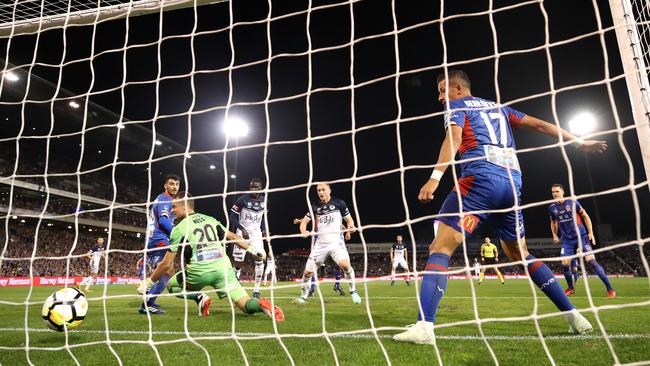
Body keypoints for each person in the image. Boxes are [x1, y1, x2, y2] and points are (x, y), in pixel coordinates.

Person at [393, 70, 607, 344]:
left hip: (479, 180)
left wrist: (434, 178)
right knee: (520, 255)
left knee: (440, 248)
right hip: (512, 184)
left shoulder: (456, 106)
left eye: (443, 90)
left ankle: (425, 327)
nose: (440, 97)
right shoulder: (500, 108)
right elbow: (541, 126)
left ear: (458, 89)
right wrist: (578, 141)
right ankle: (575, 317)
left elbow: (454, 139)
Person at [142, 192, 284, 321]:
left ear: (185, 205)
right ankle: (261, 305)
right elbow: (232, 236)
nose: (172, 210)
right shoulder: (210, 219)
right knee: (245, 305)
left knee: (171, 286)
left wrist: (148, 283)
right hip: (223, 270)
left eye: (174, 207)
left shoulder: (178, 228)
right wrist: (252, 249)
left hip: (198, 272)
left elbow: (166, 264)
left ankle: (199, 296)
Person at [294, 183, 361, 304]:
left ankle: (353, 291)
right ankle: (303, 296)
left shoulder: (339, 203)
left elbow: (349, 219)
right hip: (320, 245)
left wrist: (351, 226)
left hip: (336, 243)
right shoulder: (314, 206)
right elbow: (304, 223)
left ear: (329, 190)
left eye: (323, 190)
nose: (320, 192)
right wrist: (303, 231)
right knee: (308, 272)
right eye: (318, 190)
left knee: (345, 265)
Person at [549, 183, 615, 297]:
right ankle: (570, 288)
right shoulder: (551, 207)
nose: (555, 194)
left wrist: (591, 232)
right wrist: (554, 235)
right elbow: (553, 222)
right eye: (553, 192)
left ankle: (610, 289)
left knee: (591, 261)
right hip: (567, 240)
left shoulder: (572, 202)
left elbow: (585, 216)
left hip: (582, 237)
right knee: (565, 263)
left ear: (563, 192)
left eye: (557, 191)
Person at [137, 174, 180, 314]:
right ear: (165, 186)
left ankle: (150, 301)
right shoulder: (166, 199)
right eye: (172, 184)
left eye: (177, 184)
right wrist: (177, 233)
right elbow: (163, 221)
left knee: (169, 271)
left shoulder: (161, 198)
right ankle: (147, 304)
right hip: (158, 238)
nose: (174, 187)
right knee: (166, 270)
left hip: (153, 238)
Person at [229, 178, 267, 298]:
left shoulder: (264, 201)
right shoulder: (242, 200)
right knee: (238, 262)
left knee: (259, 258)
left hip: (256, 235)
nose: (253, 189)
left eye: (256, 187)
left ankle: (256, 290)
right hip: (241, 234)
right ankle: (236, 276)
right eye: (251, 187)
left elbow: (263, 217)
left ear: (261, 188)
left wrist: (264, 229)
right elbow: (232, 218)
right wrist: (242, 229)